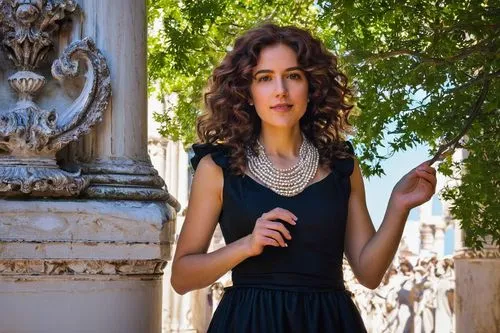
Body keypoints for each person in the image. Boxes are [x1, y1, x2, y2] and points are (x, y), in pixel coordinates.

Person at [170, 23, 437, 332]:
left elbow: (369, 273)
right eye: (265, 78)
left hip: (329, 322)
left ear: (312, 87)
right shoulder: (217, 168)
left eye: (293, 76)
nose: (280, 90)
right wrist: (247, 244)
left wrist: (398, 206)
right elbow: (182, 277)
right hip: (249, 322)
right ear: (247, 91)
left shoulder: (341, 165)